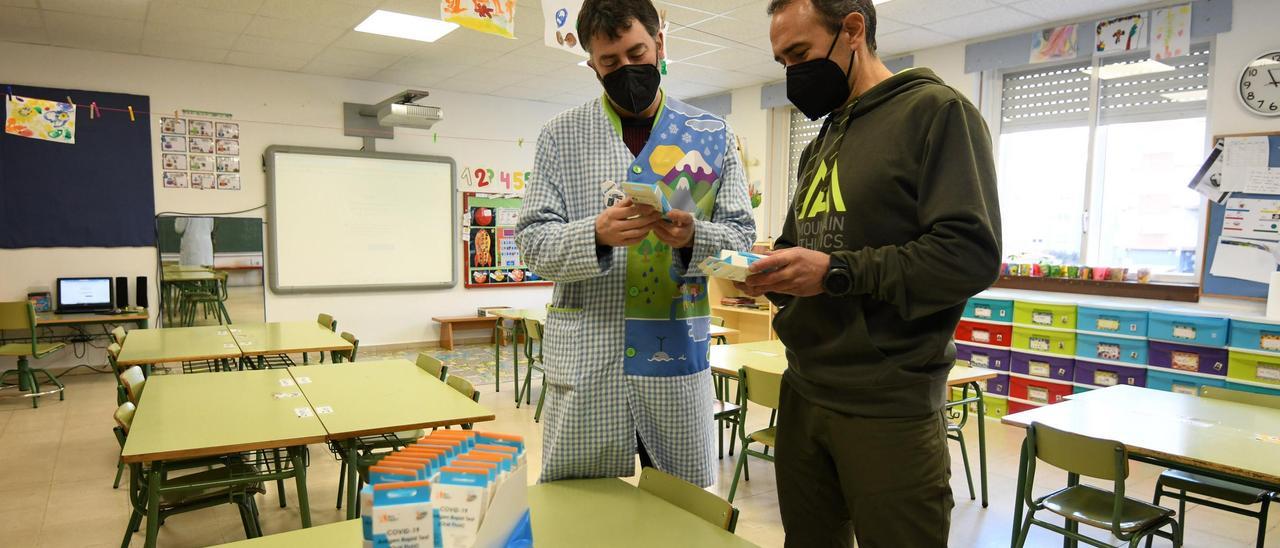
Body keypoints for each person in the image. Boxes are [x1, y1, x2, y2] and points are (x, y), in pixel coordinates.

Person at [738, 0, 1001, 545]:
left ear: (852, 30)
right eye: (781, 60)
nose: (792, 73)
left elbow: (969, 254)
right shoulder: (822, 141)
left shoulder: (936, 113)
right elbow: (799, 244)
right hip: (806, 390)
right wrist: (767, 272)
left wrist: (836, 272)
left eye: (799, 53)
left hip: (888, 407)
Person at [515, 0, 756, 487]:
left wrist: (694, 237)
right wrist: (595, 235)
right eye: (610, 62)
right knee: (582, 513)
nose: (626, 69)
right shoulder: (560, 136)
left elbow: (742, 249)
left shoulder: (709, 136)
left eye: (636, 52)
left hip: (674, 364)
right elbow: (531, 244)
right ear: (592, 65)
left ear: (660, 43)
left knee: (680, 513)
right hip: (588, 363)